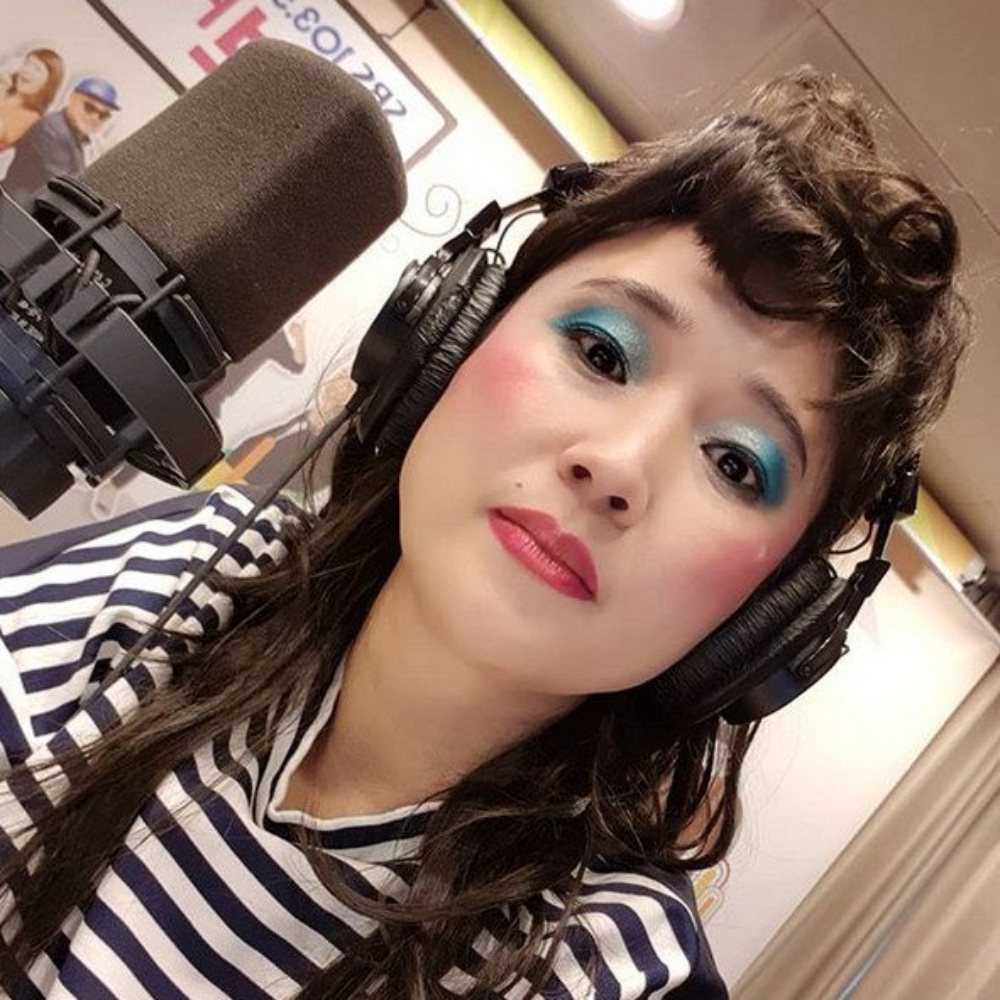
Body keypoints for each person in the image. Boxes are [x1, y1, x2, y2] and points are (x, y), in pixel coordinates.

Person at [0, 68, 969, 998]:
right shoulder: (191, 573)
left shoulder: (609, 967)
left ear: (765, 614)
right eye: (601, 351)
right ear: (450, 340)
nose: (618, 467)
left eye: (735, 463)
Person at [1, 75, 119, 205]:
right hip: (14, 207)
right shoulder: (53, 131)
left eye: (103, 115)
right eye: (89, 107)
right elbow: (67, 188)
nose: (95, 118)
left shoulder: (73, 134)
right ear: (72, 99)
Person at [0, 48, 64, 151]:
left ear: (47, 84)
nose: (27, 70)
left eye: (37, 69)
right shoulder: (5, 92)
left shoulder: (31, 117)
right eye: (27, 63)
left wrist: (2, 88)